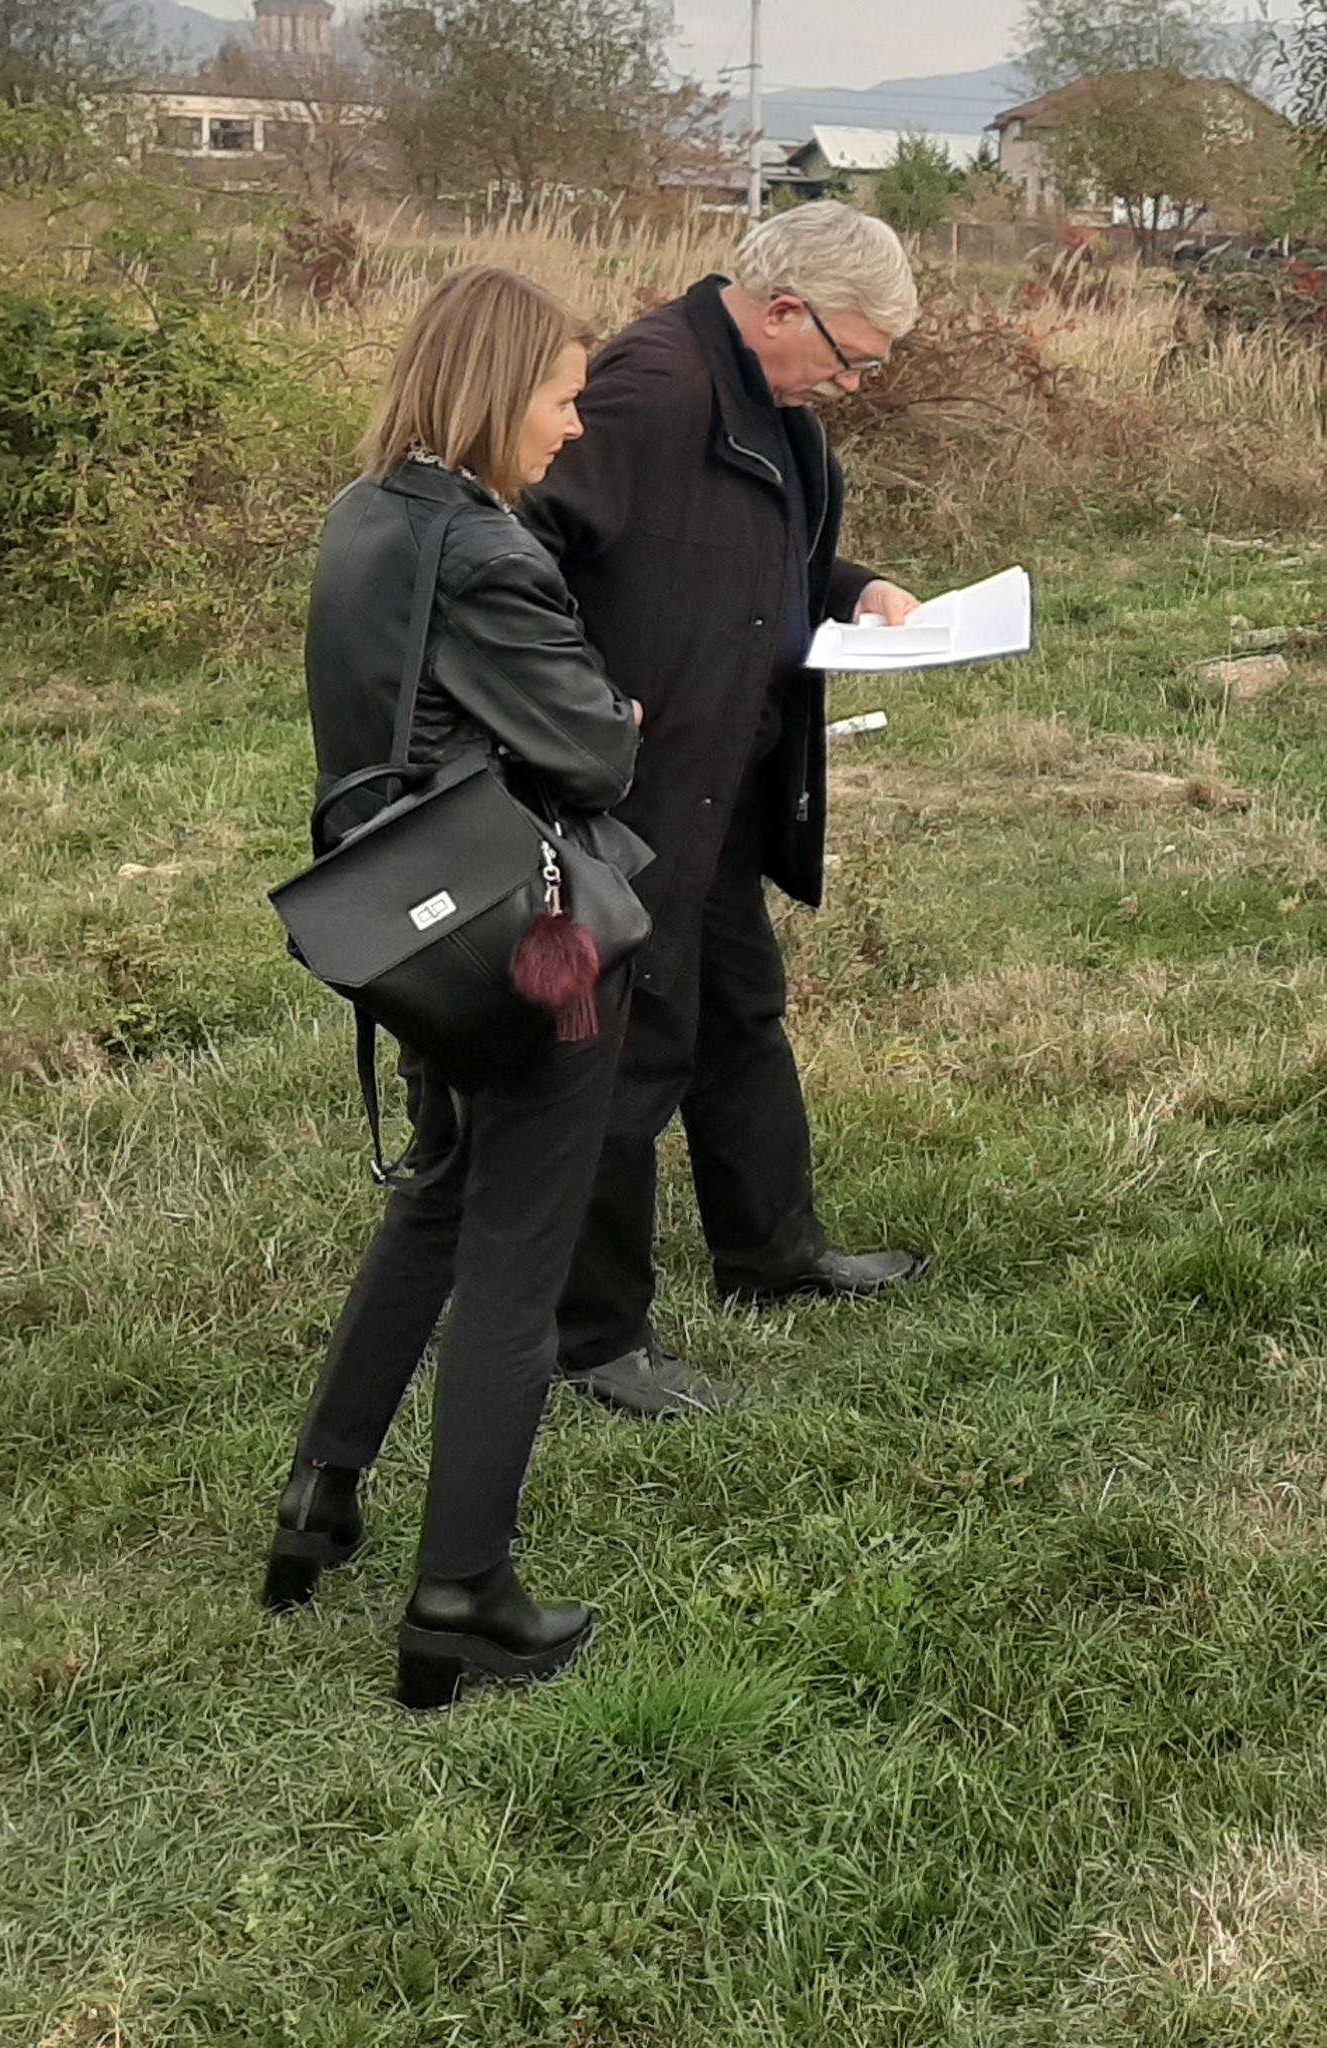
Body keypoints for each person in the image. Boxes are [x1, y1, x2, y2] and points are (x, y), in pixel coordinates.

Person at [273, 266, 650, 1705]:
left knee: (436, 1195)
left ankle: (322, 1493)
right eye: (561, 396)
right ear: (497, 390)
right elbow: (595, 755)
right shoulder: (491, 553)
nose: (572, 426)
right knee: (515, 1256)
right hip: (516, 934)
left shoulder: (366, 516)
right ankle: (461, 1594)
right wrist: (616, 713)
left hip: (406, 918)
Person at [524, 202, 932, 1421]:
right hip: (634, 793)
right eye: (850, 360)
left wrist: (854, 591)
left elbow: (753, 558)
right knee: (622, 1051)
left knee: (740, 1015)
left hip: (725, 781)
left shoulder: (769, 404)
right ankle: (593, 1339)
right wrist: (583, 709)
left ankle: (772, 1252)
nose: (850, 386)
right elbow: (515, 552)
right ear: (785, 309)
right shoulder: (652, 388)